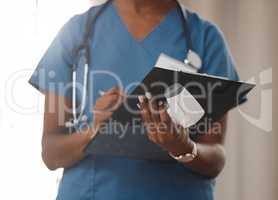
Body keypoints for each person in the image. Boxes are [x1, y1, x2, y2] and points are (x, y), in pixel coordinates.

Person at [29, 0, 241, 199]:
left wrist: (182, 147)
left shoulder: (205, 38)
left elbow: (215, 159)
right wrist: (93, 131)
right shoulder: (76, 32)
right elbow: (51, 153)